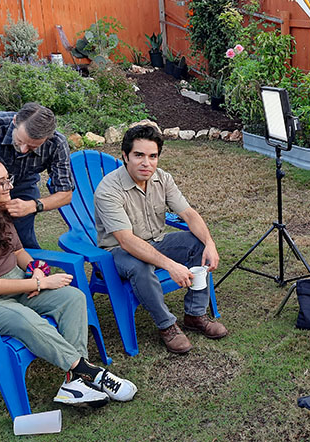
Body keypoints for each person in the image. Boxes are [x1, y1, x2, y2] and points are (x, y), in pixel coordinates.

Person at [0, 153, 136, 407]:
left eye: (9, 179)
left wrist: (36, 269)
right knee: (24, 317)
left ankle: (75, 383)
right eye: (2, 182)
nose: (10, 187)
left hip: (19, 287)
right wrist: (39, 283)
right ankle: (90, 372)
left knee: (72, 297)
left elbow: (18, 252)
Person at [94, 125, 227, 355]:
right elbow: (126, 241)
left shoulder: (162, 178)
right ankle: (167, 326)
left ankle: (195, 314)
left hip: (156, 240)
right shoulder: (108, 189)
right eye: (139, 155)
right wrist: (170, 264)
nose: (147, 163)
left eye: (152, 156)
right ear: (125, 156)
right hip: (118, 252)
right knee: (141, 266)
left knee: (197, 245)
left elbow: (189, 214)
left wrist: (210, 243)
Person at [0, 102, 73, 249]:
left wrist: (34, 205)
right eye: (20, 141)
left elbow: (65, 194)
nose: (23, 150)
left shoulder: (57, 144)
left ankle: (29, 262)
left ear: (47, 138)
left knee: (22, 240)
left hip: (24, 184)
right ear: (15, 121)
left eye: (32, 147)